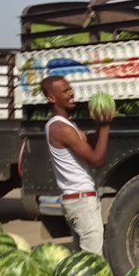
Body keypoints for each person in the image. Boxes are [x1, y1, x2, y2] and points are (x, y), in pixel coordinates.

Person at [41, 75, 111, 255]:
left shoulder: (67, 125)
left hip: (78, 201)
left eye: (70, 89)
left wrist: (98, 123)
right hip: (81, 202)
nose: (71, 93)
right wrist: (105, 126)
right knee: (92, 262)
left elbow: (89, 143)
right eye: (65, 91)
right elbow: (96, 160)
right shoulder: (60, 128)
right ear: (51, 98)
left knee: (80, 260)